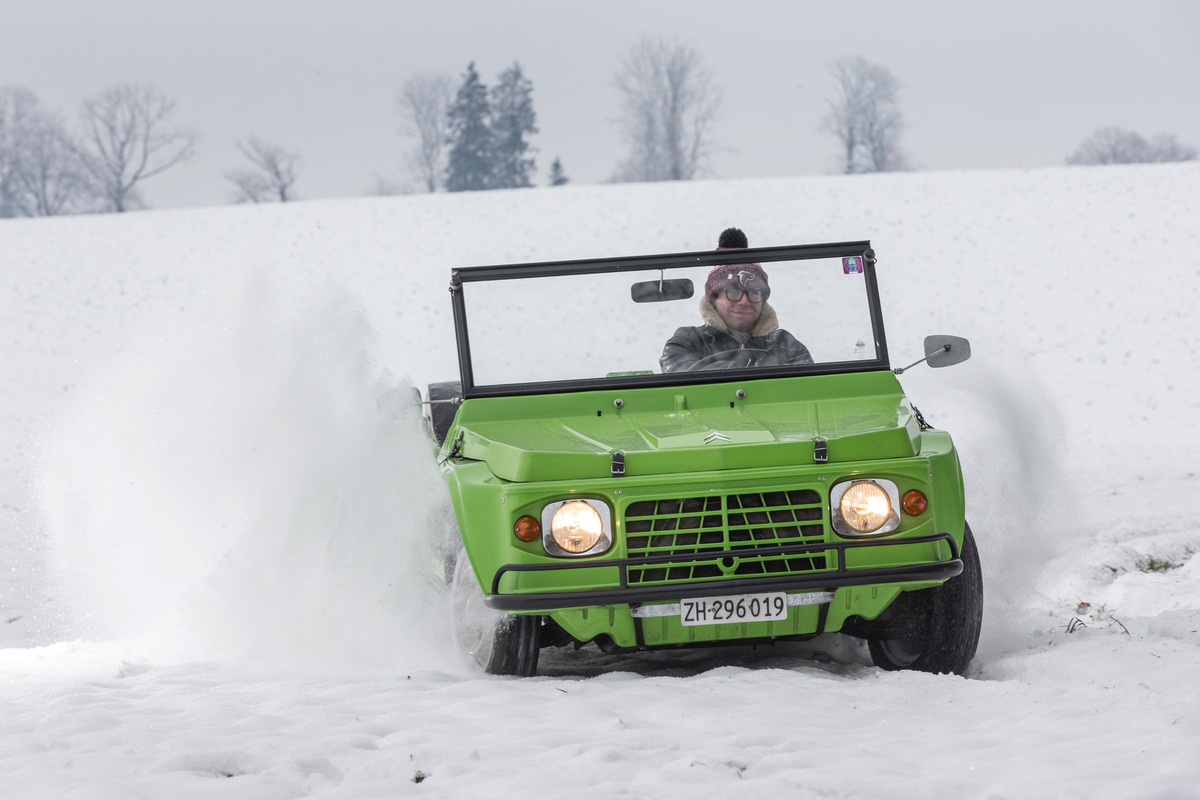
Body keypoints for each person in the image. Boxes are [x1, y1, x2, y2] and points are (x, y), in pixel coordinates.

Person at [659, 227, 813, 372]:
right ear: (714, 298)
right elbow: (683, 376)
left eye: (754, 293)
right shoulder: (688, 341)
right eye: (733, 291)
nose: (744, 302)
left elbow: (809, 386)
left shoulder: (785, 344)